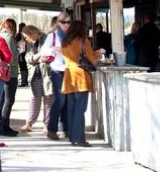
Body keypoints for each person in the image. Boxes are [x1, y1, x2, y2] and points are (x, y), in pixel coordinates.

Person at [60, 20, 101, 147]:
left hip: (69, 77)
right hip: (81, 77)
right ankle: (80, 139)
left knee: (71, 109)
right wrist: (100, 52)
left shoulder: (65, 42)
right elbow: (93, 58)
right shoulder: (84, 41)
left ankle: (73, 138)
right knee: (80, 110)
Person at [40, 12, 71, 141]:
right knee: (60, 99)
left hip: (70, 69)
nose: (66, 25)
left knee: (67, 100)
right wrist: (54, 49)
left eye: (69, 22)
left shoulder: (71, 36)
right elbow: (43, 51)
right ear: (58, 23)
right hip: (57, 69)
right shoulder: (52, 36)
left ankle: (66, 128)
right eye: (64, 22)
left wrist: (64, 50)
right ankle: (51, 129)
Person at [19, 24, 51, 133]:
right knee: (34, 99)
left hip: (47, 74)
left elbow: (49, 56)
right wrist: (38, 57)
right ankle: (29, 123)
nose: (25, 39)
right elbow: (28, 58)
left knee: (48, 100)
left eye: (26, 36)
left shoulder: (46, 39)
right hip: (35, 75)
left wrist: (40, 57)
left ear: (31, 33)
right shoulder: (29, 44)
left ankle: (47, 125)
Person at [0, 18, 20, 136]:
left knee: (2, 100)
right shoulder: (9, 37)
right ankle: (4, 127)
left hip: (1, 73)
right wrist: (19, 50)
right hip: (11, 73)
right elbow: (11, 56)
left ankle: (0, 125)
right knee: (9, 100)